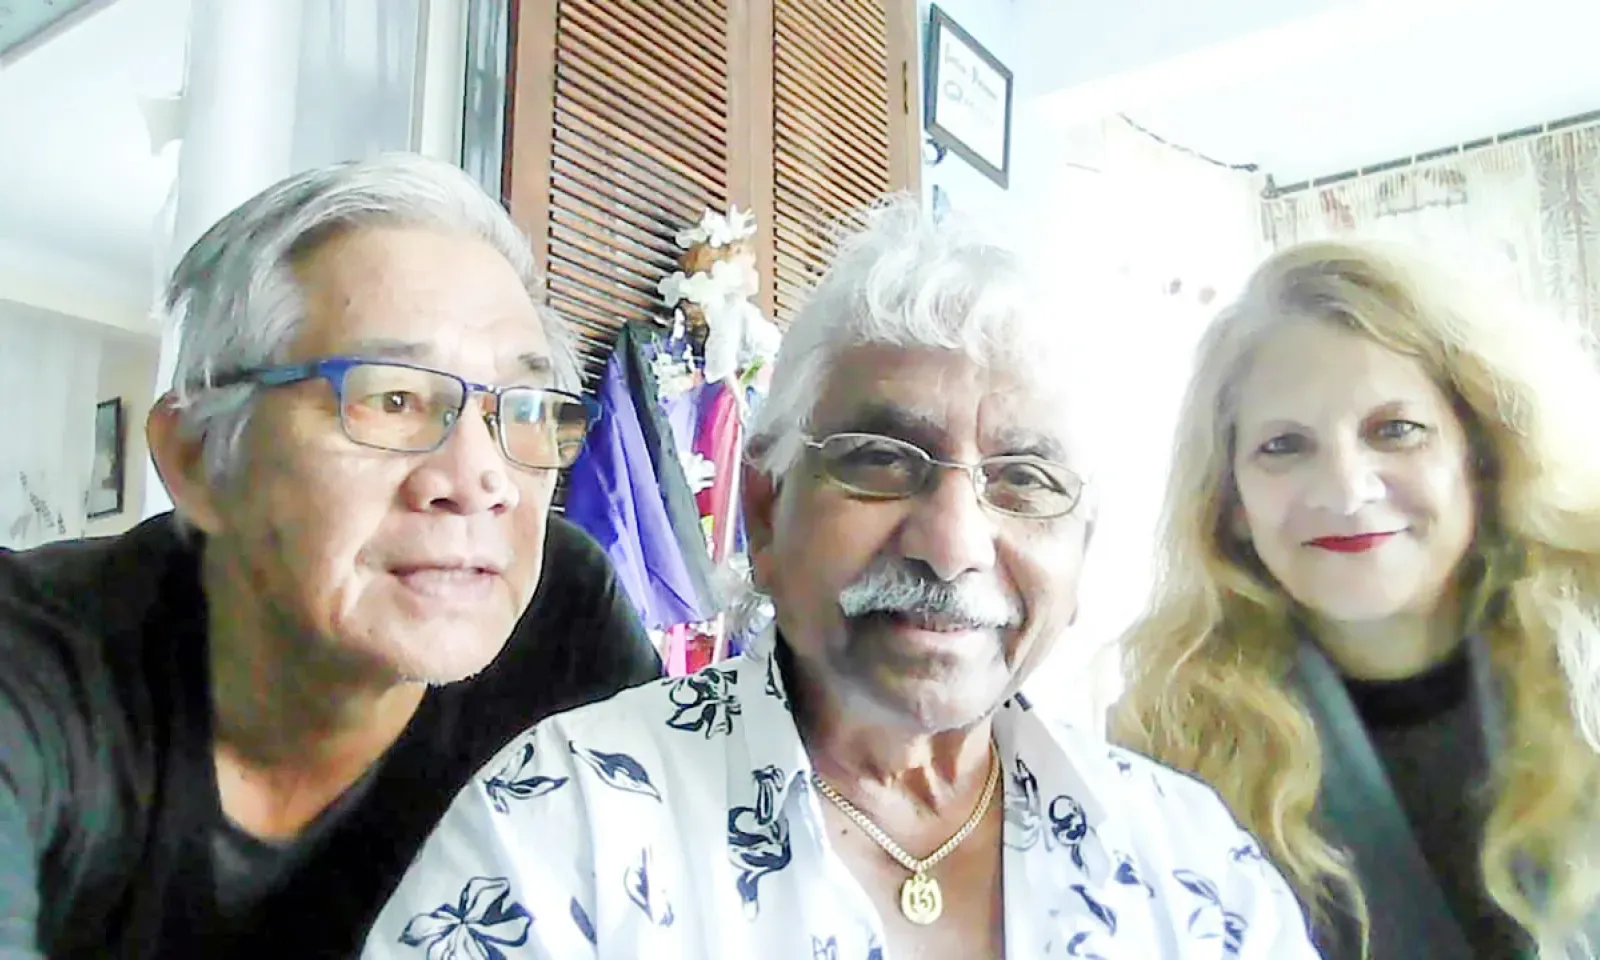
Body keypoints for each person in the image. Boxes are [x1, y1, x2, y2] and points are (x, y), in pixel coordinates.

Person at [359, 198, 1320, 959]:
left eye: (1025, 481)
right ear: (766, 510)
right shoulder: (563, 823)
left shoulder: (1191, 861)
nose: (953, 545)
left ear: (1081, 553)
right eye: (881, 460)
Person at [0, 154, 664, 959]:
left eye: (520, 409)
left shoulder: (565, 621)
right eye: (393, 398)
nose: (480, 481)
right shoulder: (33, 662)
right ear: (199, 459)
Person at [1112, 239, 1600, 958]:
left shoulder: (1587, 659)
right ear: (1233, 502)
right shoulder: (1166, 747)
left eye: (1395, 431)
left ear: (1481, 454)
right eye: (1284, 446)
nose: (1345, 490)